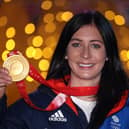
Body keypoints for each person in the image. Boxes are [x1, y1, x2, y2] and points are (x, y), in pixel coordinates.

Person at [0, 10, 129, 129]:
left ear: (107, 54)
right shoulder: (36, 106)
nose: (85, 54)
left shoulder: (124, 107)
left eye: (95, 46)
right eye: (76, 44)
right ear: (65, 52)